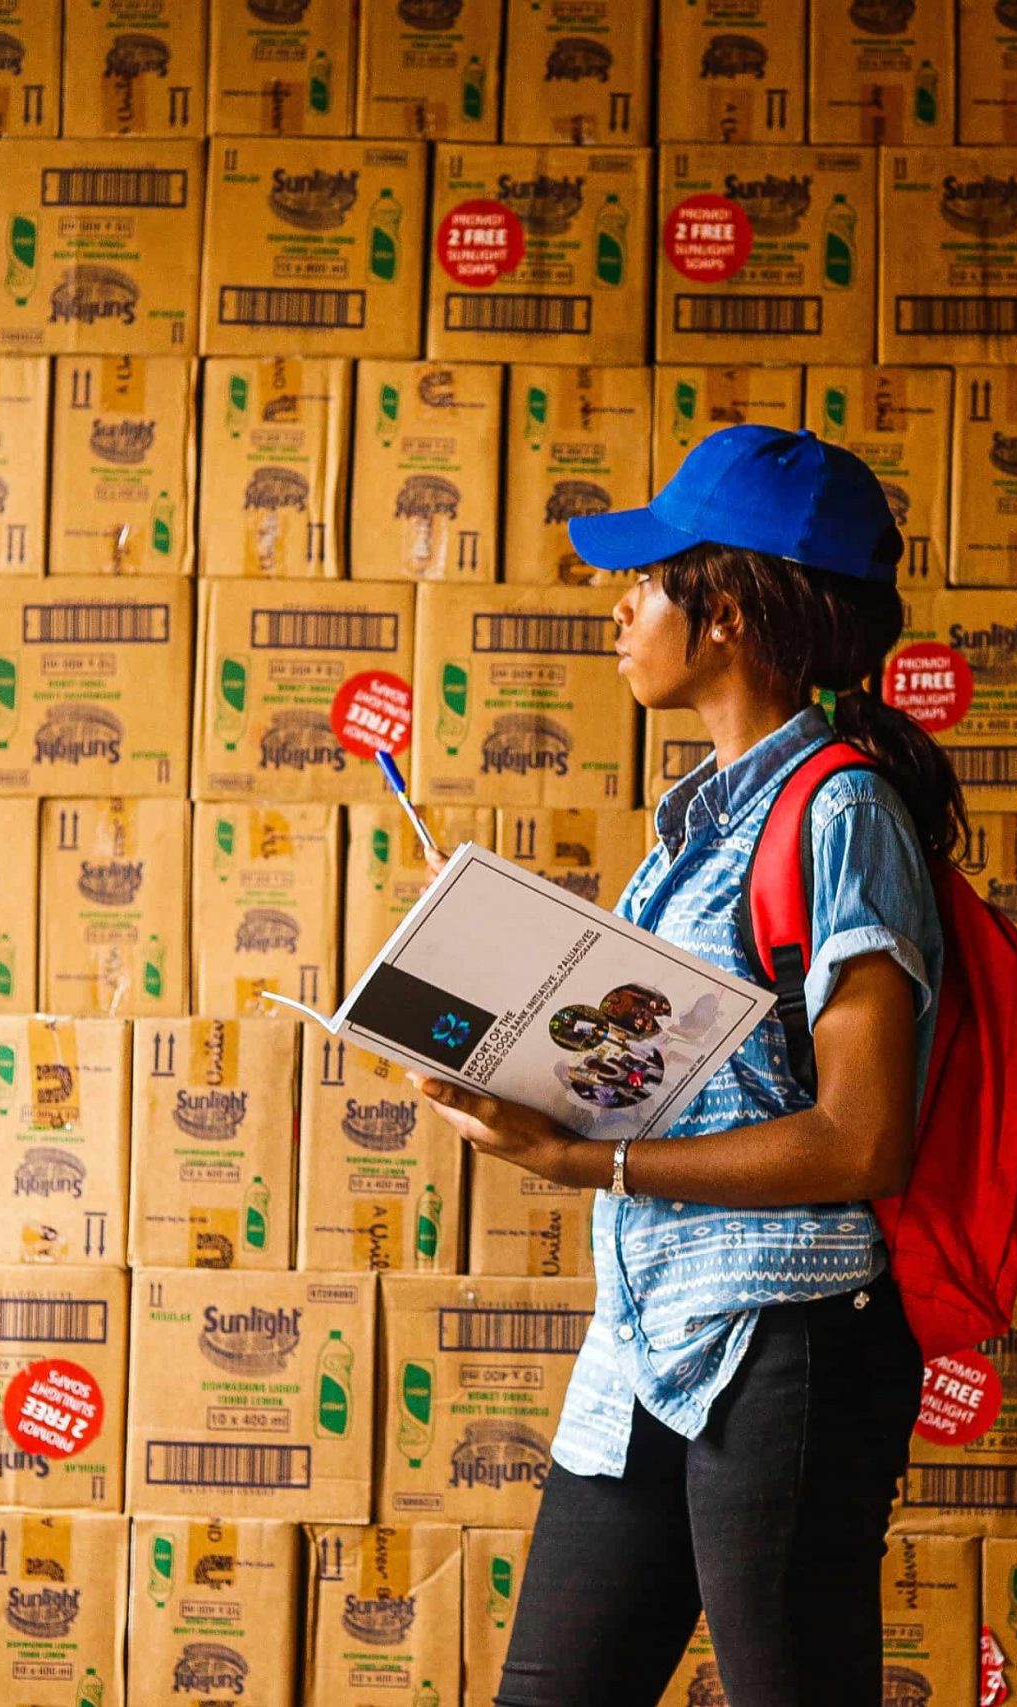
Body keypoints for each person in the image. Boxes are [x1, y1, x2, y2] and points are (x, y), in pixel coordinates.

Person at [413, 426, 966, 1706]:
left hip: (788, 1344)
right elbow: (680, 1077)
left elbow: (859, 1139)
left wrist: (582, 1158)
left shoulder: (841, 816)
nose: (621, 604)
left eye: (650, 575)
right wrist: (506, 1069)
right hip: (645, 1338)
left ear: (724, 611)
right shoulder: (682, 840)